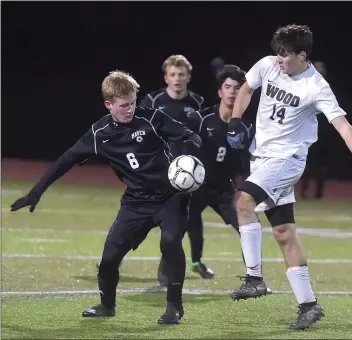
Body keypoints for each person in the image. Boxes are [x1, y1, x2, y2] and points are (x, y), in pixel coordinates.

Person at [10, 70, 202, 325]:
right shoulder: (99, 134)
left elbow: (190, 136)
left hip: (171, 196)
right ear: (108, 104)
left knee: (169, 242)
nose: (130, 109)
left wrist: (187, 155)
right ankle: (106, 305)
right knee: (109, 259)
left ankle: (174, 307)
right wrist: (36, 192)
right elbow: (66, 159)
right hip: (135, 202)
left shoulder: (152, 118)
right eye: (123, 105)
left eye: (133, 103)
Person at [225, 24, 352, 330]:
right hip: (262, 158)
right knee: (283, 233)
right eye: (277, 53)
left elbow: (342, 124)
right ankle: (309, 305)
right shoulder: (268, 65)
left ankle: (254, 278)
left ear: (303, 56)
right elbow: (246, 88)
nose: (279, 60)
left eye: (285, 55)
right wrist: (236, 120)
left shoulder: (315, 86)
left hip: (287, 160)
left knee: (243, 201)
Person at [139, 55, 212, 284]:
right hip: (159, 169)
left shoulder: (198, 102)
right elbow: (141, 132)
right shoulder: (152, 100)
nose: (177, 78)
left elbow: (203, 134)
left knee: (185, 219)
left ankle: (182, 264)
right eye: (173, 74)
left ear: (188, 77)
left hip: (187, 172)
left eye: (181, 74)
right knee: (139, 214)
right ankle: (114, 255)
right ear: (166, 77)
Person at [183, 64, 254, 278]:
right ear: (220, 92)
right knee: (175, 226)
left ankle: (254, 277)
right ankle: (175, 271)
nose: (232, 92)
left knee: (249, 228)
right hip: (196, 186)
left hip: (225, 188)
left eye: (237, 88)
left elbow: (250, 162)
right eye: (228, 87)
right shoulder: (200, 119)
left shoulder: (248, 127)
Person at [300, 61, 331, 199]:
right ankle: (304, 192)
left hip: (322, 132)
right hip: (307, 131)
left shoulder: (327, 89)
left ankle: (318, 193)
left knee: (322, 166)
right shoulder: (304, 87)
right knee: (304, 164)